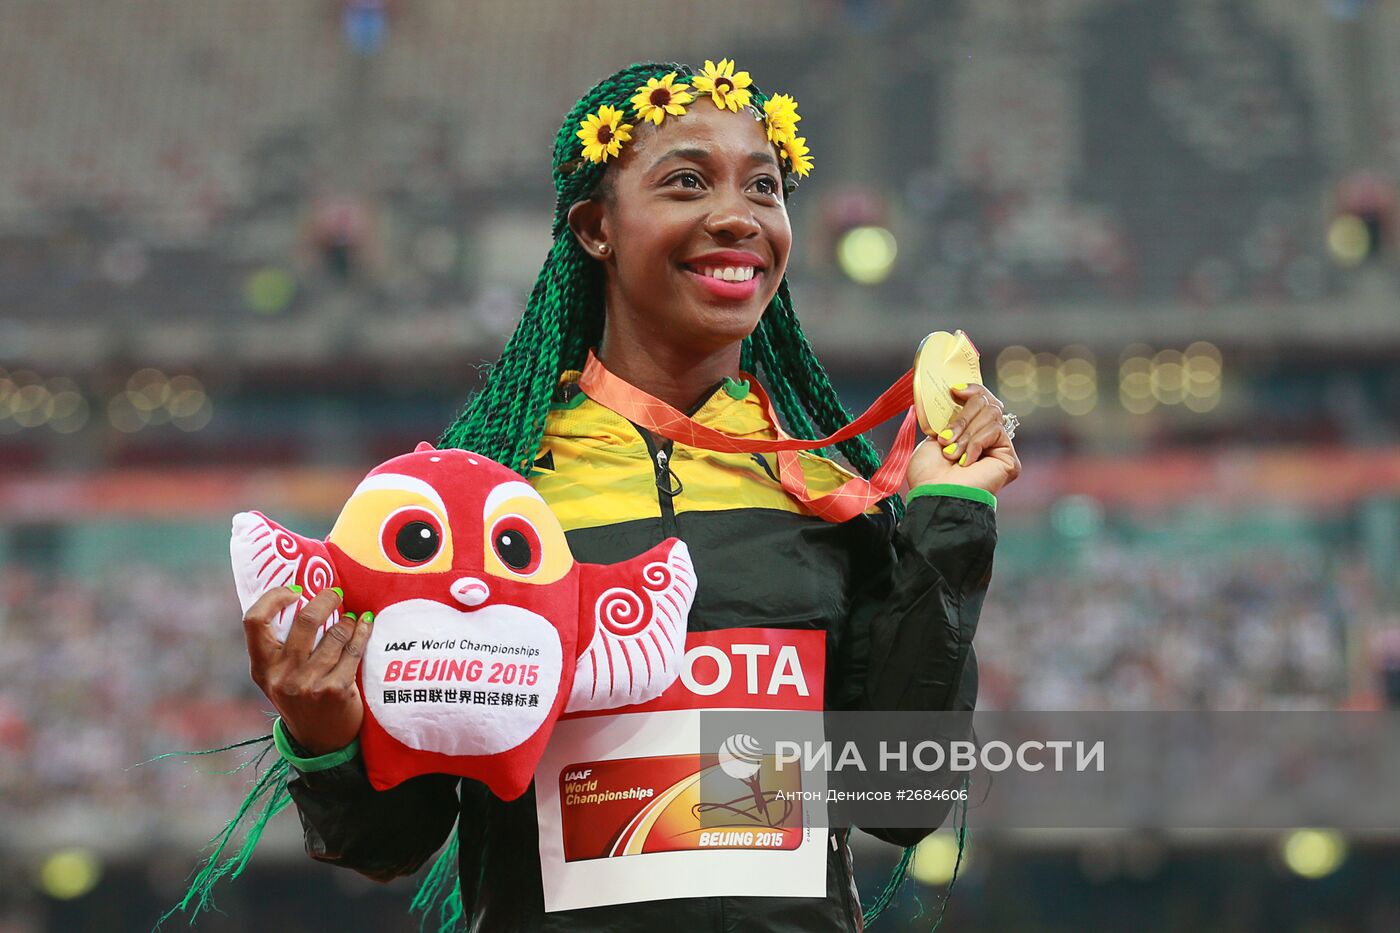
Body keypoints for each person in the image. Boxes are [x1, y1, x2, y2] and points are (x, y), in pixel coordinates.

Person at [240, 60, 1020, 931]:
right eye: (686, 181)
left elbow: (904, 797)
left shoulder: (832, 493)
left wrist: (950, 518)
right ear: (596, 227)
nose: (737, 216)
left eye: (764, 187)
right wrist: (324, 735)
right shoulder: (493, 507)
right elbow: (390, 841)